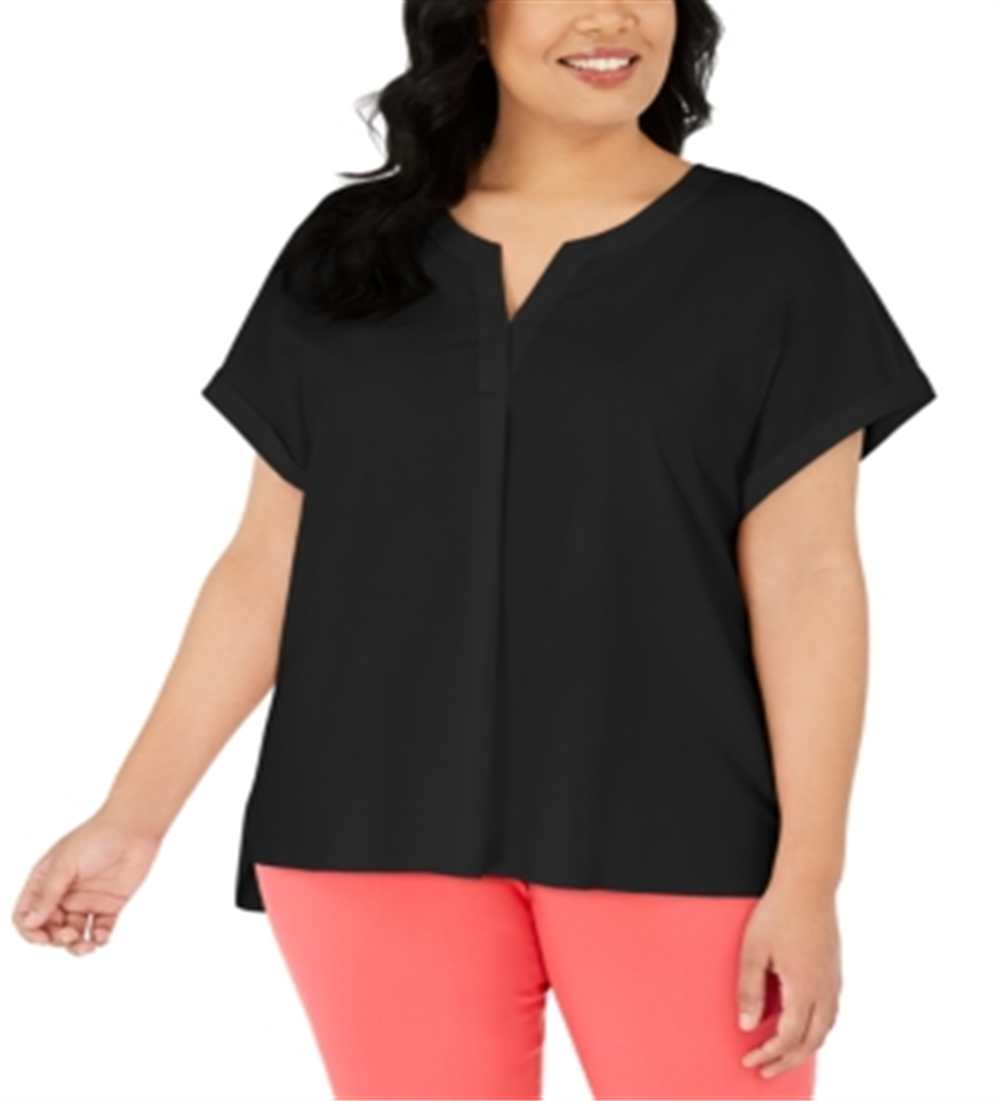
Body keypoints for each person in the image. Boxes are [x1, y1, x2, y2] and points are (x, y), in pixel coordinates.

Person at [12, 1, 937, 1097]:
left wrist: (810, 875)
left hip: (677, 822)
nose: (610, 14)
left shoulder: (773, 257)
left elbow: (806, 574)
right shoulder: (350, 250)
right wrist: (132, 816)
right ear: (471, 16)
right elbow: (268, 560)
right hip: (366, 819)